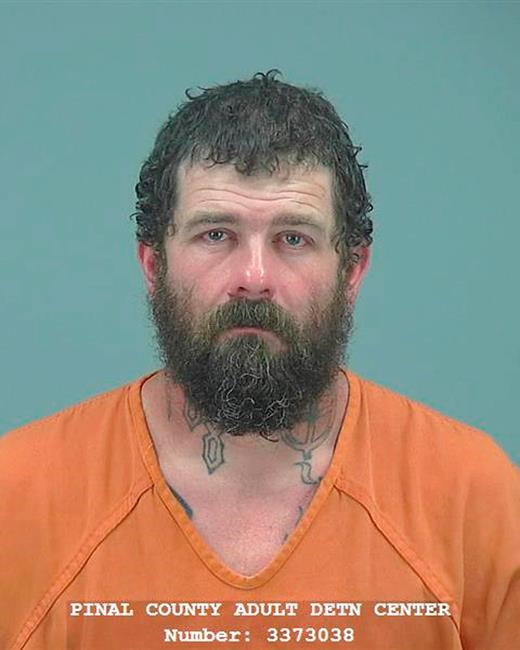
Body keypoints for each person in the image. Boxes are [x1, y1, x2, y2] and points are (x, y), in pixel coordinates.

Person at [1, 70, 518, 650]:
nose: (253, 278)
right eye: (216, 234)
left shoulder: (475, 497)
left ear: (351, 271)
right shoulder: (17, 497)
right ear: (154, 265)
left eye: (293, 238)